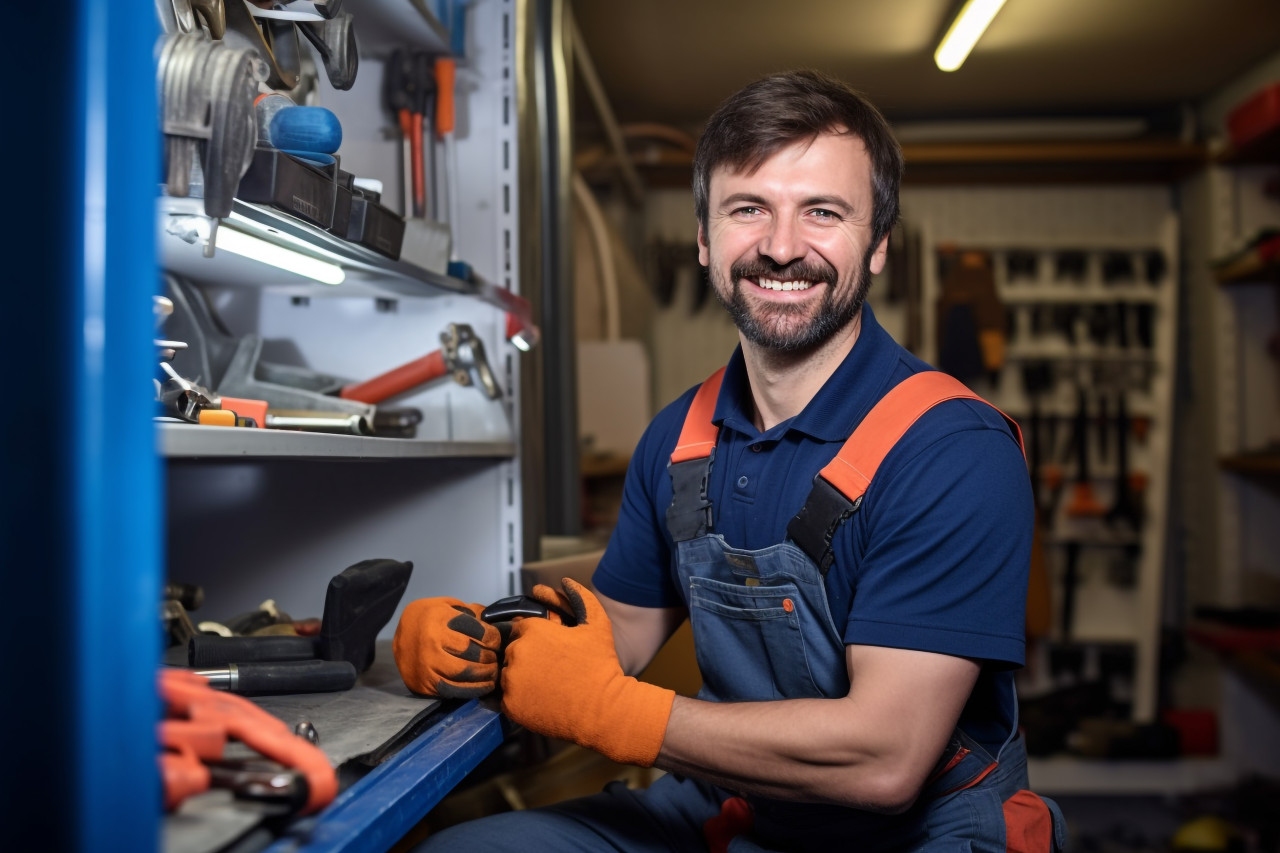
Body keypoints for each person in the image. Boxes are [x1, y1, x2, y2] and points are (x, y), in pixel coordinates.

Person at [393, 69, 1067, 852]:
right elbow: (621, 631)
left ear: (879, 244)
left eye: (823, 212)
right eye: (750, 209)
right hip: (745, 806)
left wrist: (621, 714)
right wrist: (483, 643)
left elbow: (885, 758)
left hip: (920, 831)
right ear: (706, 241)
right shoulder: (682, 438)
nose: (782, 248)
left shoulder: (951, 449)